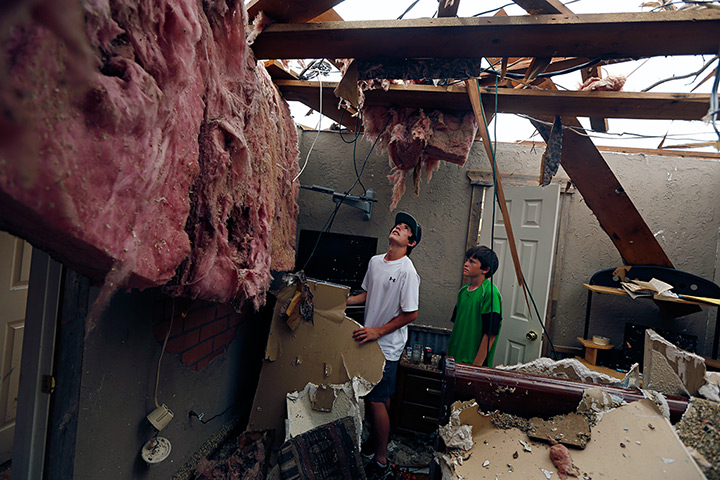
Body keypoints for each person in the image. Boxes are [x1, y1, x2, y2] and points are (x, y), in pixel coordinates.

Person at [347, 211, 421, 479]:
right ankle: (381, 439)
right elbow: (367, 294)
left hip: (387, 346)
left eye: (405, 229)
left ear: (411, 243)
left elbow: (410, 313)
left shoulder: (407, 272)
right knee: (382, 396)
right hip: (370, 339)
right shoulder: (376, 261)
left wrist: (378, 332)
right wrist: (342, 301)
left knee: (376, 399)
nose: (398, 228)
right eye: (398, 225)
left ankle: (380, 460)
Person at [447, 245, 502, 367]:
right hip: (454, 359)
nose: (466, 264)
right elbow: (457, 326)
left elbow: (491, 333)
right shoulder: (463, 291)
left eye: (472, 262)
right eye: (467, 260)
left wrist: (476, 366)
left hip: (473, 363)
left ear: (486, 269)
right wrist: (448, 354)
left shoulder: (490, 293)